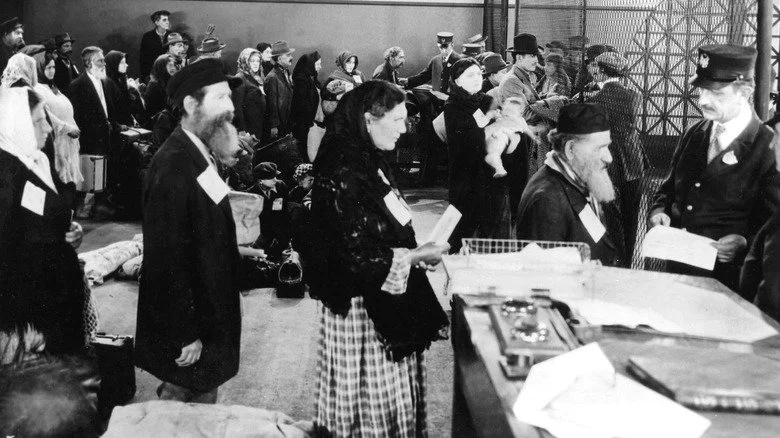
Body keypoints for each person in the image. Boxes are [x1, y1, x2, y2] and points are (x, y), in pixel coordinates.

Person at [308, 80, 449, 436]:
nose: (404, 130)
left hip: (384, 296)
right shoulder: (342, 166)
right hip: (362, 312)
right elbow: (353, 255)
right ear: (369, 119)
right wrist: (415, 256)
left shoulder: (366, 156)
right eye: (398, 120)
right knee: (370, 408)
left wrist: (415, 255)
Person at [135, 58, 243, 404]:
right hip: (190, 326)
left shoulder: (198, 153)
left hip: (207, 311)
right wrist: (185, 332)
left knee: (198, 394)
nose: (230, 108)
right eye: (220, 98)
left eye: (230, 98)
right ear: (190, 105)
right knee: (183, 402)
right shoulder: (174, 164)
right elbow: (166, 258)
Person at [649, 44, 780, 291]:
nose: (703, 101)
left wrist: (744, 242)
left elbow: (774, 223)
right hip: (676, 271)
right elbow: (667, 191)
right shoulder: (694, 134)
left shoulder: (767, 146)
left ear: (746, 92)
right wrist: (658, 211)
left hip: (726, 281)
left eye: (717, 94)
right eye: (702, 91)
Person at [0, 87, 87, 356]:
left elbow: (51, 215)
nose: (48, 128)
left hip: (56, 295)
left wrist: (73, 230)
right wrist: (20, 324)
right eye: (38, 121)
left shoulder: (37, 160)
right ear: (18, 124)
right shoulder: (5, 174)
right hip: (31, 314)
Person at [516, 103, 622, 266]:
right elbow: (546, 281)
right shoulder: (546, 200)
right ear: (570, 149)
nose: (609, 158)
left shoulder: (577, 178)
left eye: (607, 146)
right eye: (600, 148)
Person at [445, 58, 529, 250]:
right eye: (470, 75)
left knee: (494, 228)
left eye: (478, 74)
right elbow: (470, 140)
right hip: (468, 175)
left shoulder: (486, 100)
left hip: (493, 174)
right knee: (465, 229)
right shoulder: (453, 106)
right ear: (457, 81)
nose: (476, 79)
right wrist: (498, 125)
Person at [587, 51, 645, 261]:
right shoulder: (634, 95)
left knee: (611, 217)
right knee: (632, 216)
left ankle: (614, 261)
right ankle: (628, 259)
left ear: (601, 71)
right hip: (635, 160)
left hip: (610, 162)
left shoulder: (598, 99)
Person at [69, 46, 122, 218]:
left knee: (102, 173)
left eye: (103, 60)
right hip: (89, 138)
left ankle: (100, 205)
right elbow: (77, 116)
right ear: (89, 63)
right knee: (86, 176)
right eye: (100, 60)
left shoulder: (105, 82)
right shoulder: (77, 86)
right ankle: (79, 208)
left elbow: (110, 108)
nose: (104, 63)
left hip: (105, 136)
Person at [33, 50, 83, 206]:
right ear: (40, 69)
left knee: (69, 183)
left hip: (68, 142)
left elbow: (65, 108)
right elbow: (48, 117)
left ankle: (68, 217)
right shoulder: (37, 89)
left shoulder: (53, 87)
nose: (51, 71)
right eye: (48, 67)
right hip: (56, 142)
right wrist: (68, 128)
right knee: (59, 182)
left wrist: (73, 126)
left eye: (53, 67)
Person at [249, 161, 290, 256]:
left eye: (275, 177)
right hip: (263, 233)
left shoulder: (280, 186)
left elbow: (285, 209)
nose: (275, 180)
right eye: (271, 178)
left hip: (281, 229)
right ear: (260, 181)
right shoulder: (251, 195)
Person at [291, 51, 322, 156]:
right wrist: (310, 120)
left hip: (309, 122)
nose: (320, 67)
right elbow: (302, 103)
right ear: (310, 64)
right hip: (304, 124)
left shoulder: (311, 77)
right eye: (318, 64)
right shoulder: (301, 80)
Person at [232, 48, 267, 140]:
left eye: (258, 61)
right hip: (249, 127)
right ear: (245, 61)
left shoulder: (257, 76)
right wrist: (243, 130)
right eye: (252, 61)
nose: (256, 63)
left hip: (259, 123)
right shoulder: (240, 77)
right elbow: (237, 107)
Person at [265, 40, 295, 141]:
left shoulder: (286, 71)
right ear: (279, 58)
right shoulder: (272, 77)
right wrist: (274, 126)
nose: (291, 57)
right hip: (279, 125)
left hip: (287, 121)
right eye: (288, 55)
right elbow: (271, 103)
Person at [139, 10, 171, 82]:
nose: (167, 22)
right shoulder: (147, 37)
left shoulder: (172, 35)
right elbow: (143, 60)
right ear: (157, 22)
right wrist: (145, 78)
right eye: (164, 20)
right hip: (153, 76)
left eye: (168, 19)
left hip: (169, 75)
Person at [144, 54, 176, 120]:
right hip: (159, 121)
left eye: (173, 65)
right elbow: (153, 111)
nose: (173, 68)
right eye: (170, 65)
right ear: (162, 67)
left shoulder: (169, 80)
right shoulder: (154, 85)